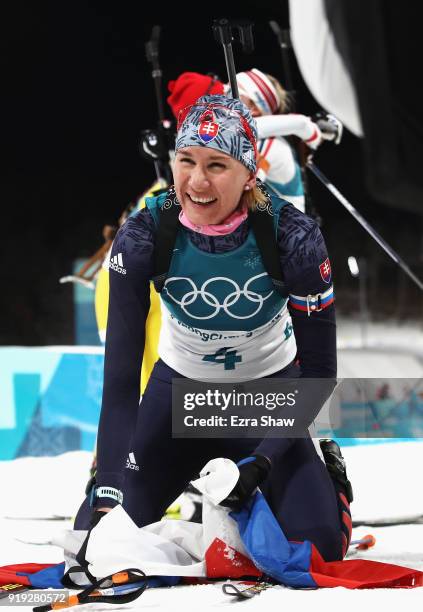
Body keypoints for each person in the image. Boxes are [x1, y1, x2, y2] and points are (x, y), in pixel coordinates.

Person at [75, 94, 352, 563]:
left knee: (321, 551)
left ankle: (329, 475)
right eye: (186, 160)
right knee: (92, 547)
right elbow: (120, 380)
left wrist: (262, 462)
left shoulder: (295, 237)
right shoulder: (144, 234)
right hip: (178, 400)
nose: (197, 181)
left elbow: (320, 371)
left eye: (217, 165)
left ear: (249, 174)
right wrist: (108, 491)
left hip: (265, 399)